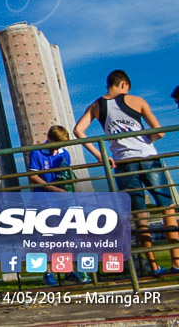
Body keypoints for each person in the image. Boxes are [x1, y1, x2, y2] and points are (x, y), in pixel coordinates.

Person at [74, 70, 179, 275]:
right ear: (124, 85)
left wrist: (100, 155)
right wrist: (148, 139)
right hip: (147, 158)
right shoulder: (136, 101)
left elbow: (78, 130)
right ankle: (177, 262)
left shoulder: (96, 106)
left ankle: (154, 266)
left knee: (140, 215)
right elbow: (159, 131)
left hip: (123, 163)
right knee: (168, 208)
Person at [27, 125, 89, 285]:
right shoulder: (37, 152)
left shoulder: (64, 153)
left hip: (62, 200)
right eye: (57, 144)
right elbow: (33, 176)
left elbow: (65, 173)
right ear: (50, 139)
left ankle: (68, 270)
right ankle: (48, 273)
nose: (59, 147)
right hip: (43, 199)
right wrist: (53, 188)